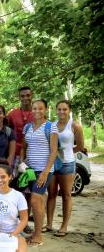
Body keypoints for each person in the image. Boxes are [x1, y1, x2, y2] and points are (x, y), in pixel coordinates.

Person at [20, 99, 58, 247]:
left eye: (40, 109)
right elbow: (24, 147)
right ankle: (32, 230)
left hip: (44, 169)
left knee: (36, 199)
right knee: (32, 199)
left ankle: (38, 235)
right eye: (34, 109)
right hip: (29, 169)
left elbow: (54, 151)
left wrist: (45, 171)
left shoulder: (51, 127)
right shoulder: (27, 127)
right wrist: (23, 162)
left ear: (46, 109)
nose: (37, 111)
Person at [46, 100, 84, 237]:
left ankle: (64, 226)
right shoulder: (51, 125)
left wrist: (65, 152)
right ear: (56, 110)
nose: (62, 112)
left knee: (66, 195)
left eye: (65, 109)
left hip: (67, 163)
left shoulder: (75, 126)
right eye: (59, 109)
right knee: (51, 194)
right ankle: (49, 224)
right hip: (53, 163)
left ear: (69, 110)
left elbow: (80, 146)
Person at [7, 87, 34, 174]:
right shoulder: (12, 114)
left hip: (33, 153)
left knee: (31, 181)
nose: (25, 98)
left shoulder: (38, 113)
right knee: (14, 181)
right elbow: (7, 133)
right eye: (22, 96)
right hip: (15, 153)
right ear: (19, 97)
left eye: (28, 95)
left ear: (32, 95)